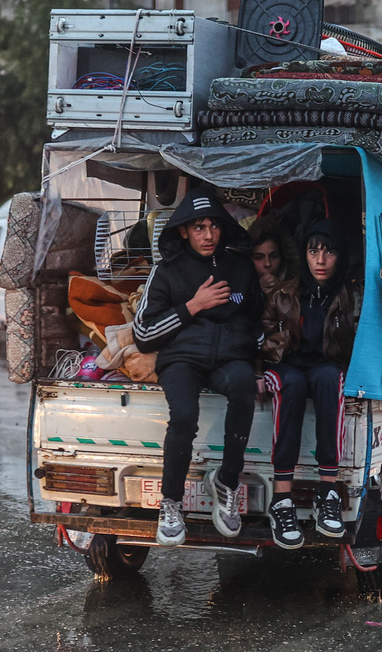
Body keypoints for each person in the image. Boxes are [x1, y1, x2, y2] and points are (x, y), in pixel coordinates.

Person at [133, 188, 263, 547]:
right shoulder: (167, 271)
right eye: (198, 227)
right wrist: (193, 305)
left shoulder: (240, 268)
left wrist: (256, 350)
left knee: (243, 386)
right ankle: (171, 504)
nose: (208, 235)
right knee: (184, 415)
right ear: (183, 232)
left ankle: (227, 482)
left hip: (229, 359)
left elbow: (258, 320)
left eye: (213, 226)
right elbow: (143, 333)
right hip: (182, 360)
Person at [259, 220, 359, 549]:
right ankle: (281, 500)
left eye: (328, 251)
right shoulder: (285, 292)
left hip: (326, 365)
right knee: (292, 386)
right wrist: (259, 370)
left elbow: (358, 344)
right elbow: (266, 337)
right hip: (288, 365)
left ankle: (327, 493)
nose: (320, 259)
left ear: (339, 256)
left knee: (331, 381)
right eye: (313, 250)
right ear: (304, 255)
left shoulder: (351, 297)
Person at [247, 217, 296, 297]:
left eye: (274, 256)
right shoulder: (239, 288)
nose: (267, 264)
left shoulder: (296, 286)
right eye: (259, 257)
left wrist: (281, 294)